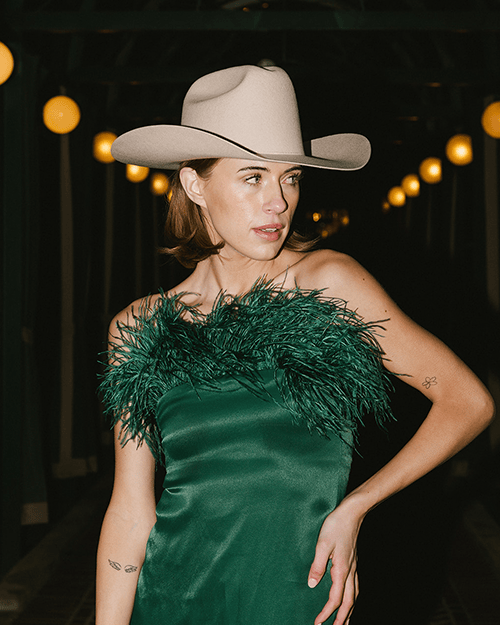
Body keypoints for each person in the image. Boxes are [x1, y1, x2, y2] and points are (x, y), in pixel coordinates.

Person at [96, 65, 495, 625]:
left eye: (291, 178)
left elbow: (468, 402)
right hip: (171, 597)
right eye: (253, 177)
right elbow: (130, 510)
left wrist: (356, 507)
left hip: (297, 592)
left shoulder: (329, 283)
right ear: (194, 185)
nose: (279, 202)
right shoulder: (139, 327)